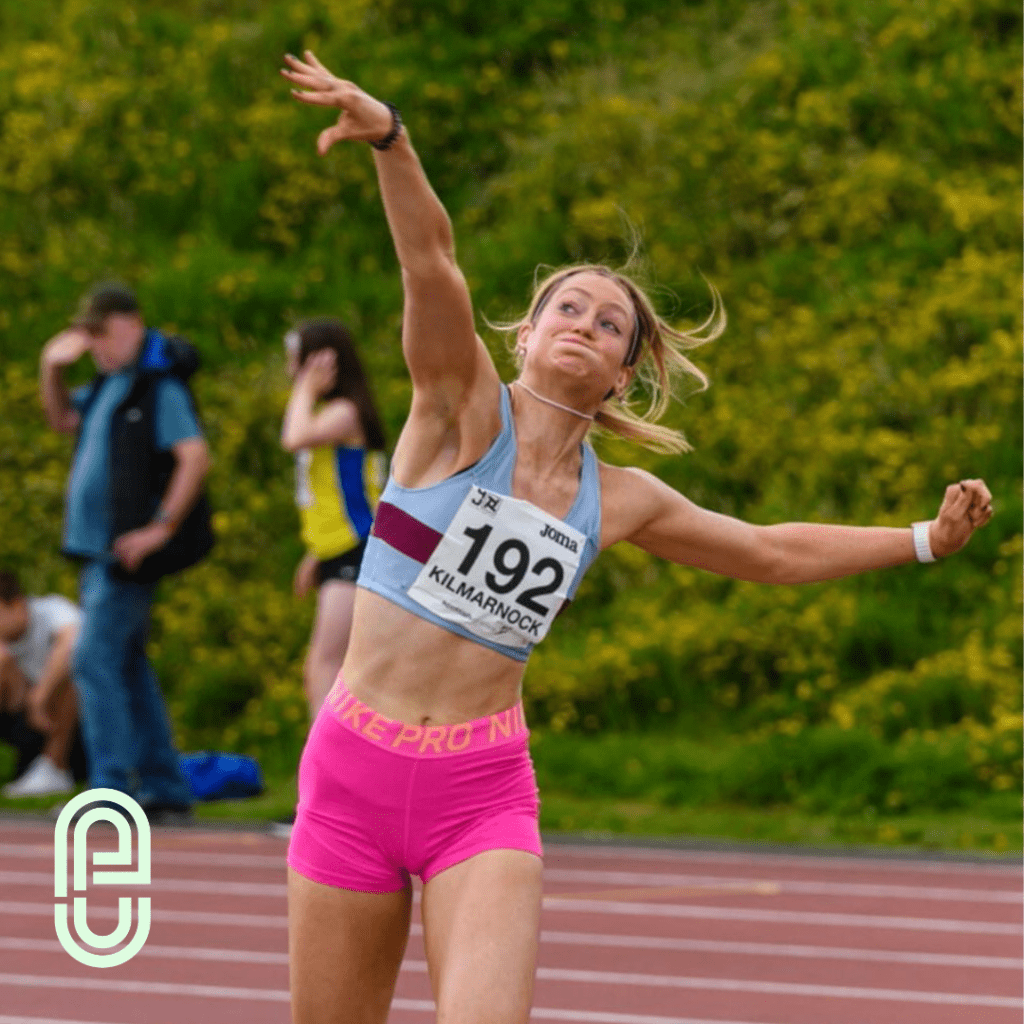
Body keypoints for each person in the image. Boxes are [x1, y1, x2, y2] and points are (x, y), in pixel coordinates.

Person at [279, 51, 994, 1024]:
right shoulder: (457, 411)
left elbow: (769, 551)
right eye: (566, 307)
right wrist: (392, 141)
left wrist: (923, 541)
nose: (585, 323)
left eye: (610, 323)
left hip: (480, 792)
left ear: (622, 373)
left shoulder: (621, 501)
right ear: (525, 337)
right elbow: (430, 262)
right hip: (353, 772)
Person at [38, 282, 214, 825]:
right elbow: (61, 419)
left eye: (101, 332)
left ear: (130, 324)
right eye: (87, 334)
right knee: (128, 666)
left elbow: (194, 456)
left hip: (124, 555)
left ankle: (112, 791)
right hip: (96, 553)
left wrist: (159, 528)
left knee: (93, 660)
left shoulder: (157, 388)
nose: (94, 344)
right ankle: (164, 786)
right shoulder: (107, 385)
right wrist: (51, 369)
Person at [281, 320, 388, 718]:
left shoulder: (344, 413)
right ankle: (332, 752)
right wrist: (316, 554)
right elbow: (336, 494)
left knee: (325, 664)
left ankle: (324, 753)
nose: (291, 372)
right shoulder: (332, 414)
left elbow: (293, 438)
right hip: (338, 550)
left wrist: (304, 391)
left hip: (357, 550)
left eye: (296, 362)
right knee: (328, 666)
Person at [0, 569, 88, 798]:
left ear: (16, 605)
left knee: (75, 668)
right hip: (27, 725)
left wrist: (40, 695)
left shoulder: (51, 610)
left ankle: (55, 767)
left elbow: (75, 640)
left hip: (75, 728)